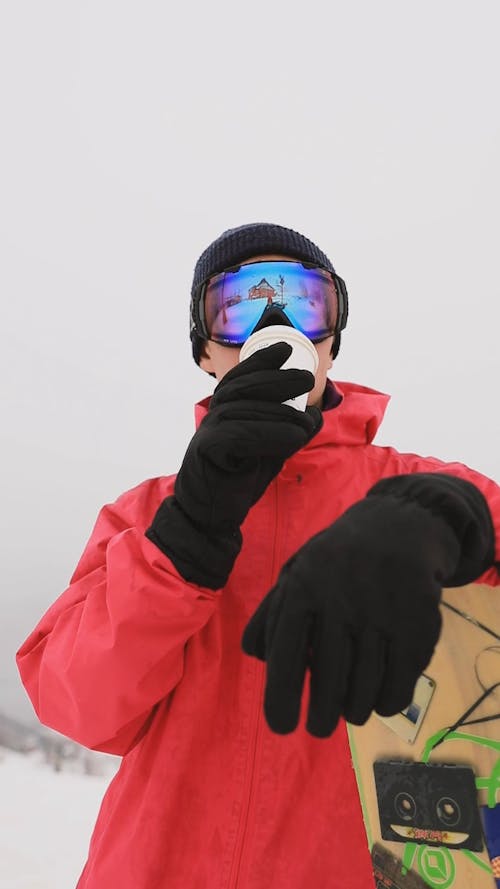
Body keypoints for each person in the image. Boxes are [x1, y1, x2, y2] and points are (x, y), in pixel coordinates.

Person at [17, 222, 500, 889]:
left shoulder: (421, 486)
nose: (277, 323)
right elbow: (78, 704)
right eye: (238, 306)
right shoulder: (143, 515)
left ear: (332, 337)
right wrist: (184, 535)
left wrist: (450, 516)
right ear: (205, 351)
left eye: (305, 301)